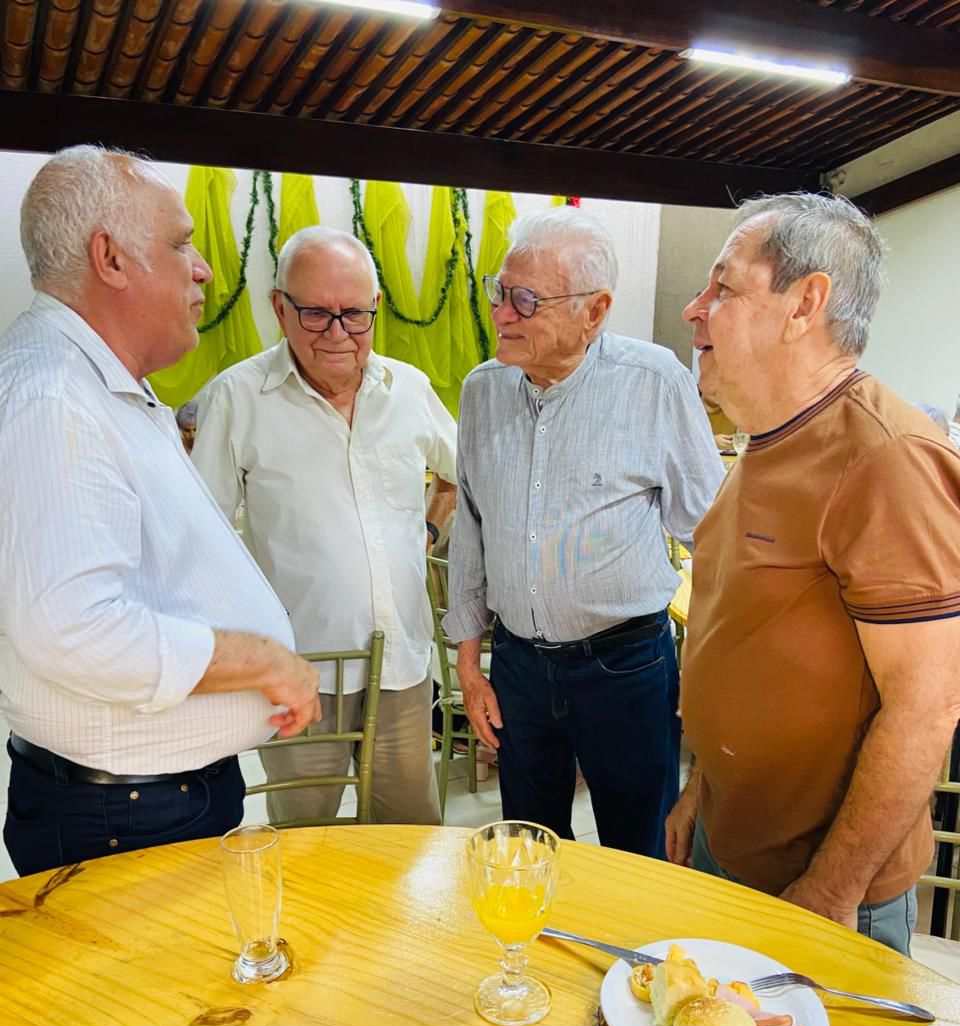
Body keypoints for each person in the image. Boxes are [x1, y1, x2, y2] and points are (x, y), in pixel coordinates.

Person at [0, 146, 320, 878]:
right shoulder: (55, 398)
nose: (202, 269)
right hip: (127, 815)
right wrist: (263, 661)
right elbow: (74, 631)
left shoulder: (96, 382)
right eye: (180, 244)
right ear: (110, 258)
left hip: (149, 802)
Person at [668, 192, 960, 955]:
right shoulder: (766, 438)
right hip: (731, 843)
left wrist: (832, 889)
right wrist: (701, 790)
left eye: (722, 287)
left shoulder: (887, 457)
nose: (695, 310)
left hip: (822, 886)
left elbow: (928, 707)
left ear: (805, 304)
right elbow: (744, 639)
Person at [445, 207, 724, 858]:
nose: (502, 314)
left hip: (625, 664)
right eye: (499, 291)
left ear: (594, 311)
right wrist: (469, 665)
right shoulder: (483, 390)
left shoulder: (654, 383)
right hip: (518, 666)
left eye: (526, 300)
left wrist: (710, 672)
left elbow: (714, 536)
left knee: (638, 850)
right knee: (528, 847)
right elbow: (471, 530)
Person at [193, 227, 457, 825]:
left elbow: (456, 473)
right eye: (315, 313)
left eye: (355, 315)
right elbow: (203, 537)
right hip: (302, 671)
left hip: (402, 662)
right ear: (279, 307)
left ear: (376, 307)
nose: (338, 334)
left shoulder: (408, 390)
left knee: (410, 839)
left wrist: (427, 532)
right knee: (304, 838)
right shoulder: (237, 398)